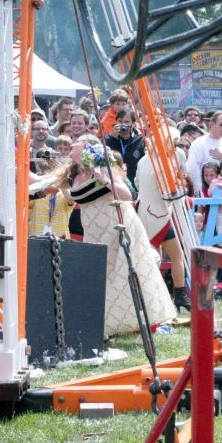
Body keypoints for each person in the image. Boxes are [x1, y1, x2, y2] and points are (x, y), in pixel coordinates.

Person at [49, 134, 175, 335]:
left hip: (118, 226)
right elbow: (54, 188)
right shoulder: (71, 174)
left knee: (125, 272)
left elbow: (127, 195)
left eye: (77, 141)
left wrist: (105, 180)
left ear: (88, 149)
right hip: (94, 231)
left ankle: (142, 320)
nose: (72, 144)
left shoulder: (103, 168)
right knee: (100, 276)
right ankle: (105, 323)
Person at [135, 151, 191, 313]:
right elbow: (168, 193)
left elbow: (137, 183)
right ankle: (180, 295)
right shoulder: (162, 163)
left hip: (143, 211)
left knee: (153, 258)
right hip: (159, 215)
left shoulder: (143, 160)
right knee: (177, 256)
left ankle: (155, 296)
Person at [186, 111, 222, 186]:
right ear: (212, 124)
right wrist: (199, 192)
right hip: (205, 190)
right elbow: (193, 170)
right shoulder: (199, 143)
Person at [105, 108, 145, 188]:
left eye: (126, 122)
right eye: (120, 121)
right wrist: (112, 138)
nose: (123, 125)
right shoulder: (107, 139)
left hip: (134, 185)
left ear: (133, 124)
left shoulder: (141, 141)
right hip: (114, 185)